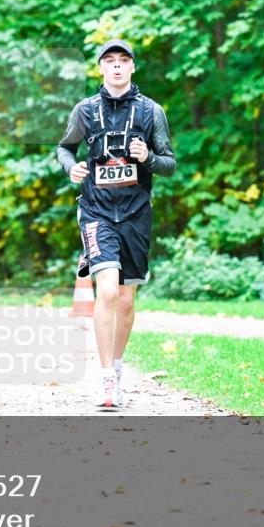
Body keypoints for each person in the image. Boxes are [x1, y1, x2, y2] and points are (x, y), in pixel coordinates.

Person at [56, 39, 176, 411]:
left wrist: (149, 157)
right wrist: (70, 167)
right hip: (96, 211)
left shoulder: (151, 111)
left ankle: (118, 365)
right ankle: (107, 379)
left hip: (137, 214)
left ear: (133, 68)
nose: (117, 67)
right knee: (106, 291)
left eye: (124, 61)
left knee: (126, 299)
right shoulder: (85, 111)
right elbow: (64, 147)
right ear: (101, 69)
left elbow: (169, 163)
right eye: (110, 61)